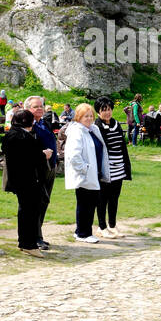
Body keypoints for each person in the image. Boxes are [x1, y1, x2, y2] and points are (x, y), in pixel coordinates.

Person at [2, 108, 50, 256]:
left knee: (25, 211)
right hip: (28, 179)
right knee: (30, 212)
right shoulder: (24, 137)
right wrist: (44, 155)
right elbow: (31, 158)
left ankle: (24, 241)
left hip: (18, 179)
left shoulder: (10, 135)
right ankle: (29, 244)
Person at [64, 102, 109, 244]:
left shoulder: (92, 129)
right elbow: (74, 155)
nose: (89, 118)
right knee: (85, 204)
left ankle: (82, 231)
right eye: (85, 116)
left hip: (94, 173)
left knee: (91, 203)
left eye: (91, 116)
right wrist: (85, 169)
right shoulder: (77, 131)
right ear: (78, 117)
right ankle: (83, 233)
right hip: (85, 174)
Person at [93, 97, 132, 238]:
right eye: (104, 110)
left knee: (114, 198)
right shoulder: (96, 126)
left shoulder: (116, 124)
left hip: (119, 167)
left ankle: (113, 225)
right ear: (98, 111)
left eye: (109, 109)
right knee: (102, 199)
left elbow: (122, 145)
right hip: (105, 169)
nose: (107, 112)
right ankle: (101, 226)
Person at [24, 96, 58, 251]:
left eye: (41, 106)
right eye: (35, 106)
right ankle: (35, 237)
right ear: (28, 109)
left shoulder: (44, 123)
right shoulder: (27, 125)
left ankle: (38, 234)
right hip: (37, 169)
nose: (39, 108)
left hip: (50, 167)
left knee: (44, 201)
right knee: (37, 202)